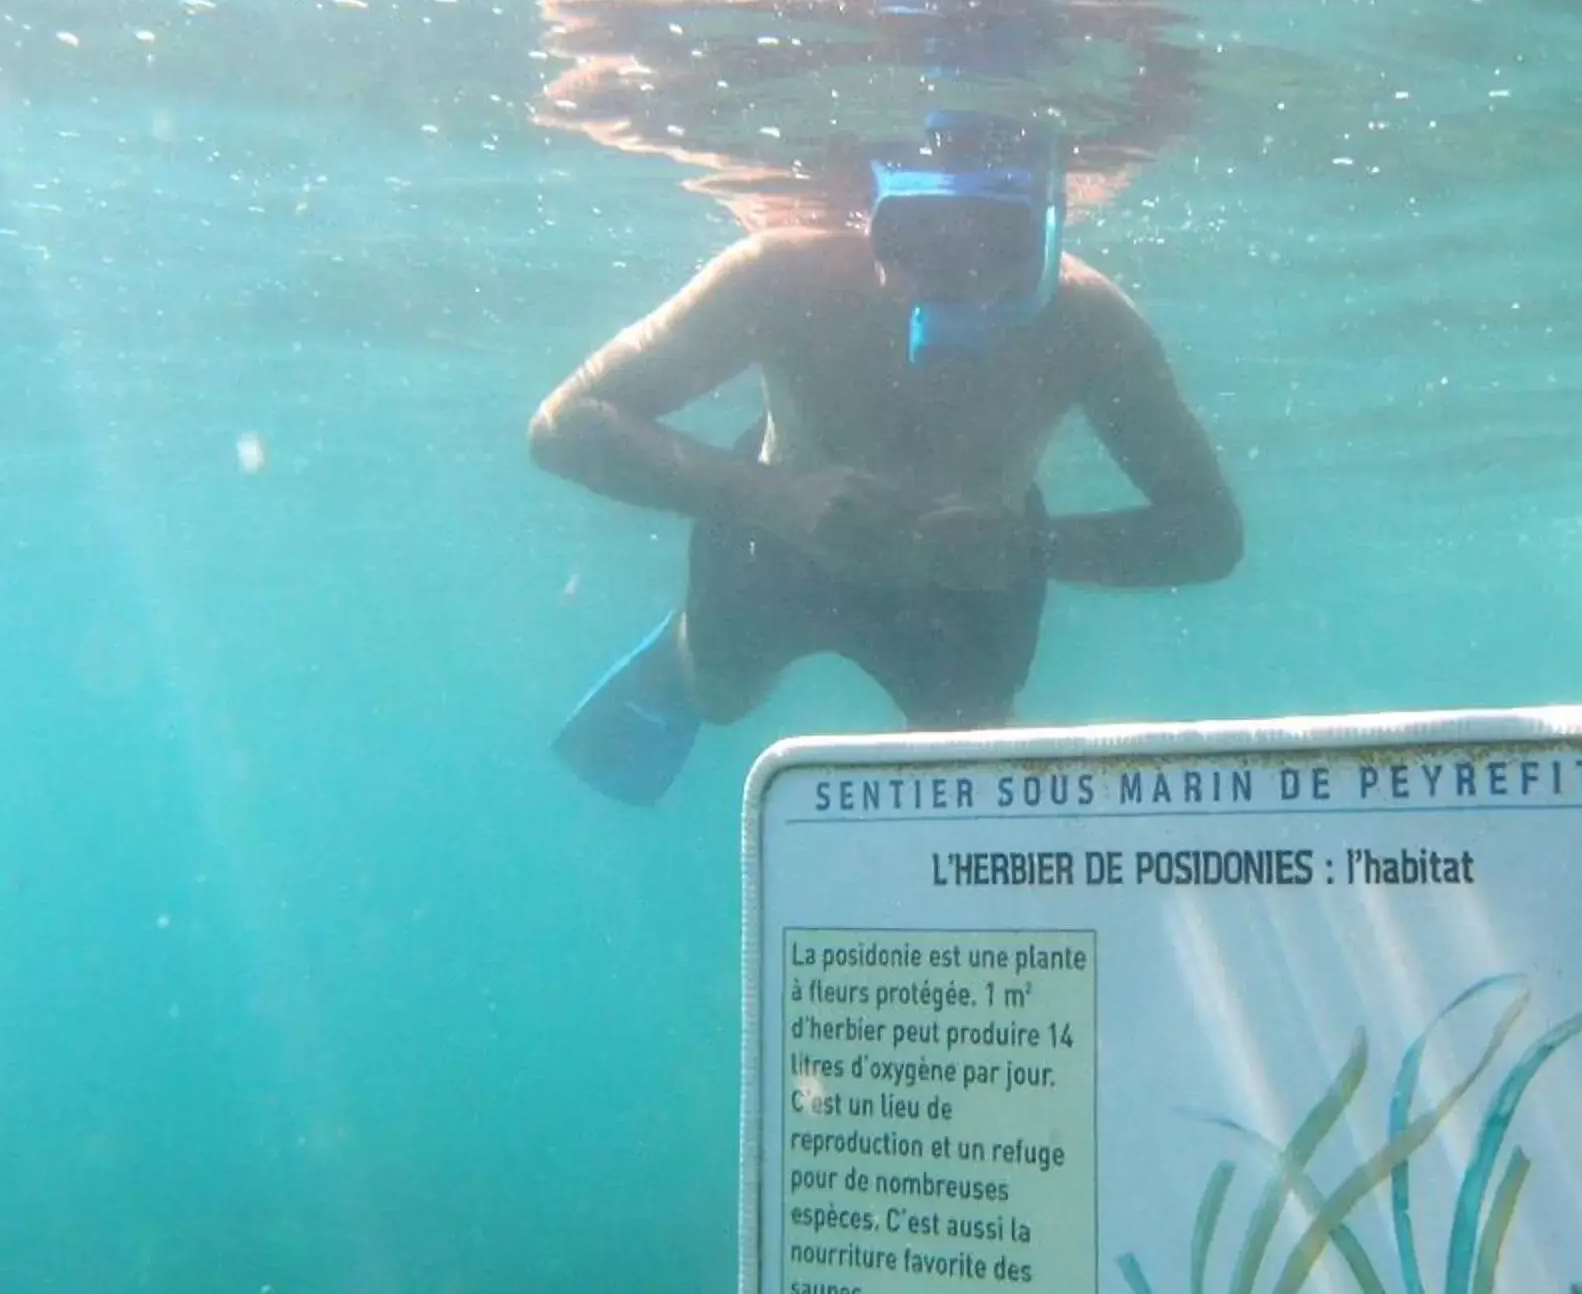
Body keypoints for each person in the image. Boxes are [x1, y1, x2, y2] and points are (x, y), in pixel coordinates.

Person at [528, 110, 1243, 801]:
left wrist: (1035, 547)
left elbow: (1212, 536)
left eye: (999, 241)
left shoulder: (1090, 323)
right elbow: (562, 425)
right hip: (775, 541)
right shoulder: (780, 274)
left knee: (961, 756)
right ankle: (682, 657)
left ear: (1049, 235)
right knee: (720, 698)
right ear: (871, 216)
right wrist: (775, 501)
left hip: (969, 581)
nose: (952, 274)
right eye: (915, 236)